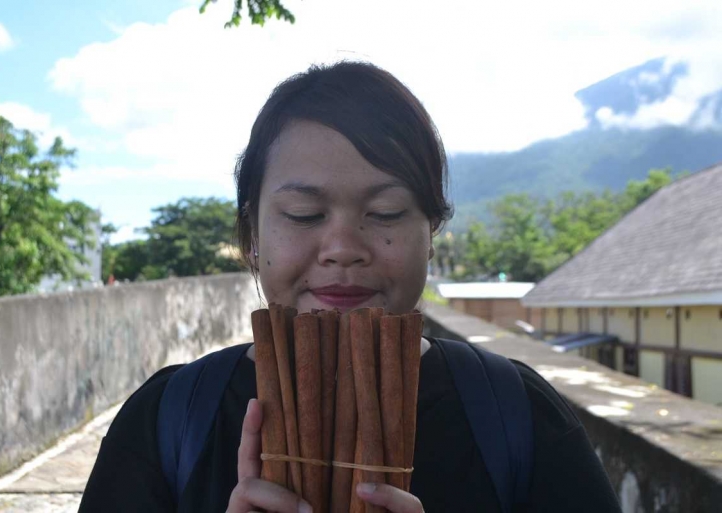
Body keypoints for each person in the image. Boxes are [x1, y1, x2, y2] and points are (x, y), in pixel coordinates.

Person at [79, 61, 621, 512]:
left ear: (430, 234)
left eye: (385, 212)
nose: (342, 246)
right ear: (252, 237)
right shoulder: (165, 422)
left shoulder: (520, 416)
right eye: (304, 213)